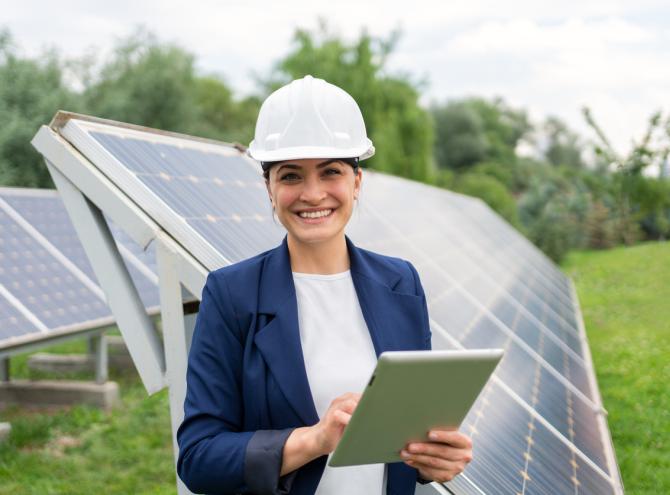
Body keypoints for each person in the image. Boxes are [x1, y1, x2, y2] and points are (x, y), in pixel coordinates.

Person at [177, 75, 473, 495]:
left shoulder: (400, 281)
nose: (312, 194)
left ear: (356, 181)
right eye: (291, 176)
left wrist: (433, 460)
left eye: (330, 172)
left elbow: (410, 429)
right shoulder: (232, 293)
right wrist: (313, 440)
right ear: (269, 187)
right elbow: (199, 458)